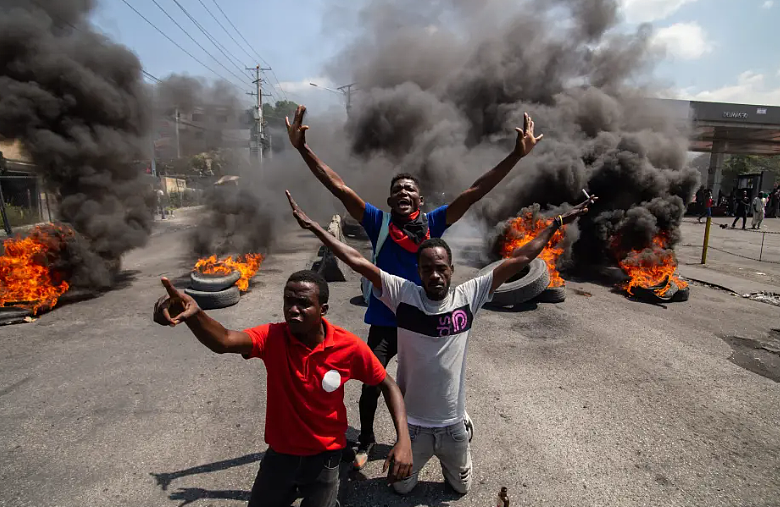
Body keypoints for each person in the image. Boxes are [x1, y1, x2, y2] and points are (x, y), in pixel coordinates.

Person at [285, 190, 595, 495]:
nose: (435, 275)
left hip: (452, 425)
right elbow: (355, 259)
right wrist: (314, 227)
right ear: (418, 272)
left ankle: (464, 428)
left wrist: (555, 224)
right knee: (400, 488)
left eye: (441, 268)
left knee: (460, 488)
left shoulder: (469, 296)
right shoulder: (402, 294)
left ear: (451, 270)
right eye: (427, 269)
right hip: (414, 427)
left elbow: (522, 257)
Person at [286, 104, 543, 469]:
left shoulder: (434, 223)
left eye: (410, 189)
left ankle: (447, 425)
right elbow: (339, 186)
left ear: (420, 201)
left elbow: (474, 192)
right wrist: (302, 149)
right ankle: (368, 439)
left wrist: (515, 156)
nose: (403, 192)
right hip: (388, 319)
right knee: (371, 381)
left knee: (435, 380)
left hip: (426, 320)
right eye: (397, 190)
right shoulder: (378, 221)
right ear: (391, 200)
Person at [152, 271, 413, 507]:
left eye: (304, 303)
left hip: (325, 459)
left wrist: (403, 441)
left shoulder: (348, 347)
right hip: (280, 457)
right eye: (289, 301)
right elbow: (224, 340)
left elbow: (387, 384)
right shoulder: (272, 337)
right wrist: (195, 315)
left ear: (323, 309)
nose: (293, 310)